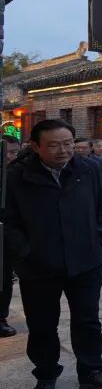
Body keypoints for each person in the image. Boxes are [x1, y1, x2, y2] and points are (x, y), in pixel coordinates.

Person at [1, 120, 102, 389]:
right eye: (53, 145)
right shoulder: (16, 175)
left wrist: (99, 234)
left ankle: (91, 375)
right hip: (38, 265)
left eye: (67, 143)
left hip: (86, 261)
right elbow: (7, 218)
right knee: (42, 324)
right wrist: (24, 251)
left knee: (87, 321)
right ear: (35, 146)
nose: (63, 150)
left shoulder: (89, 168)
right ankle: (45, 375)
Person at [1, 134, 22, 338]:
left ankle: (1, 317)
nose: (10, 156)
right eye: (6, 152)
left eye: (15, 152)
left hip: (8, 234)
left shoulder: (20, 173)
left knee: (4, 278)